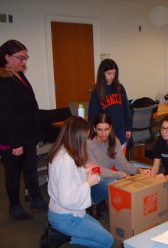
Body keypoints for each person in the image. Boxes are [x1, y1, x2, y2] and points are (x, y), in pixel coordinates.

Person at [47, 116, 114, 248]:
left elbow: (66, 181)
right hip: (65, 216)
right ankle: (63, 237)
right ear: (77, 137)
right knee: (108, 241)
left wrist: (83, 170)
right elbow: (67, 199)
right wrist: (88, 183)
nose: (87, 140)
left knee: (99, 231)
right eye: (85, 137)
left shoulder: (62, 151)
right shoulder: (66, 160)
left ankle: (66, 237)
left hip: (61, 212)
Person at [0, 40, 47, 220]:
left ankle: (36, 199)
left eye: (26, 57)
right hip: (12, 139)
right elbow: (5, 115)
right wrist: (15, 143)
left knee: (30, 169)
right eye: (20, 58)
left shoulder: (18, 75)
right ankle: (14, 207)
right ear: (7, 57)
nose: (24, 62)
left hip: (27, 135)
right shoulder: (3, 81)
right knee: (13, 174)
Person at [87, 112, 142, 212]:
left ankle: (101, 200)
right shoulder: (88, 143)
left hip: (105, 178)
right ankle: (92, 203)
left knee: (124, 180)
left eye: (106, 129)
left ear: (111, 128)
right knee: (113, 182)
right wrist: (119, 175)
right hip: (89, 183)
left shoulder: (115, 141)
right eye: (99, 130)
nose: (103, 134)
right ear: (94, 128)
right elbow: (96, 170)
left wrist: (138, 170)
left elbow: (122, 164)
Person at [88, 58, 132, 147]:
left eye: (114, 73)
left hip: (120, 131)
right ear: (102, 74)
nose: (112, 76)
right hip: (105, 134)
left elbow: (126, 110)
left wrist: (128, 128)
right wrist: (93, 134)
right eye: (109, 73)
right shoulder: (97, 91)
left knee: (120, 158)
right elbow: (93, 115)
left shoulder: (120, 88)